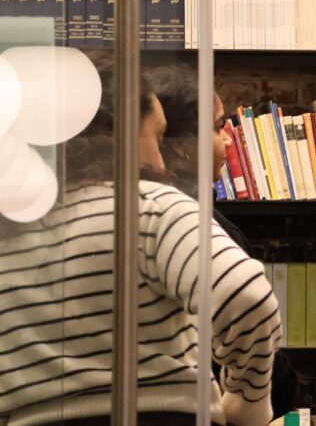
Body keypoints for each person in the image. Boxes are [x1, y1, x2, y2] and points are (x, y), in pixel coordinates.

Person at [0, 51, 282, 426]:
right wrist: (248, 398)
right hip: (159, 414)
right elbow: (247, 296)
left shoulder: (9, 234)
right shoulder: (146, 208)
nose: (162, 162)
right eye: (158, 136)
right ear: (119, 136)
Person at [145, 61, 299, 418]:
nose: (228, 139)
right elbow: (251, 316)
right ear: (182, 145)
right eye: (218, 127)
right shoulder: (202, 229)